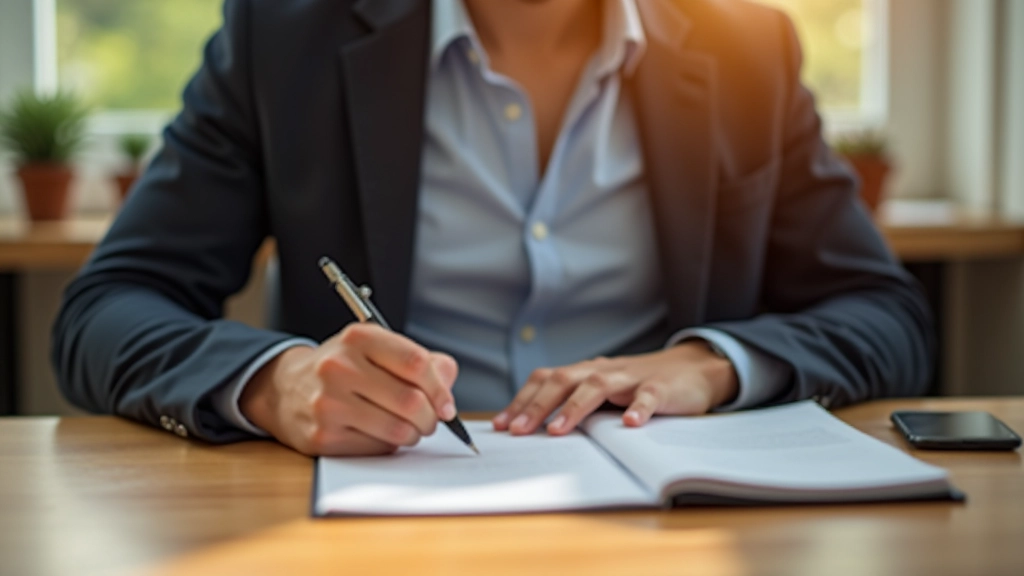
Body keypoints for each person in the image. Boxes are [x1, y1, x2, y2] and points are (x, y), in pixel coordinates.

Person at [52, 0, 933, 457]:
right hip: (378, 535)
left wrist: (707, 366)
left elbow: (885, 315)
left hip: (673, 533)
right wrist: (275, 384)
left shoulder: (746, 50)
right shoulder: (286, 37)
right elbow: (106, 309)